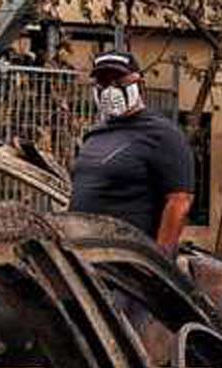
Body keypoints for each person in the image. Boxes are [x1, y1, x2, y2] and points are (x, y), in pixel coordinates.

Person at [70, 51, 195, 255]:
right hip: (83, 254)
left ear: (139, 85)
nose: (110, 90)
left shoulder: (163, 134)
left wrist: (160, 260)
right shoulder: (94, 135)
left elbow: (179, 201)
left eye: (118, 80)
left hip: (126, 258)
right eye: (102, 81)